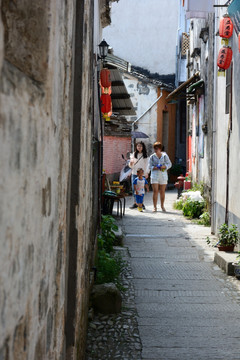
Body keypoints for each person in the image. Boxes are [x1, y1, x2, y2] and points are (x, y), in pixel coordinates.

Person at [149, 142, 172, 212]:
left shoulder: (165, 156)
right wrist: (155, 167)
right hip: (154, 175)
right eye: (154, 148)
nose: (155, 150)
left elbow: (169, 164)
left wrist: (164, 167)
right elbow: (150, 166)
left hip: (163, 175)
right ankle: (154, 207)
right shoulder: (152, 157)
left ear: (160, 149)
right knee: (155, 191)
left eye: (157, 148)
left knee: (162, 191)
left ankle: (162, 206)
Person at [129, 142, 149, 209]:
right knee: (134, 188)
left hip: (141, 174)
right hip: (134, 173)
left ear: (143, 147)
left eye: (140, 146)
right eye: (138, 146)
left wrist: (146, 173)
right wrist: (131, 163)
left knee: (141, 189)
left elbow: (147, 165)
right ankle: (135, 203)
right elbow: (131, 166)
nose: (139, 147)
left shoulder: (145, 155)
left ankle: (141, 203)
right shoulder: (133, 154)